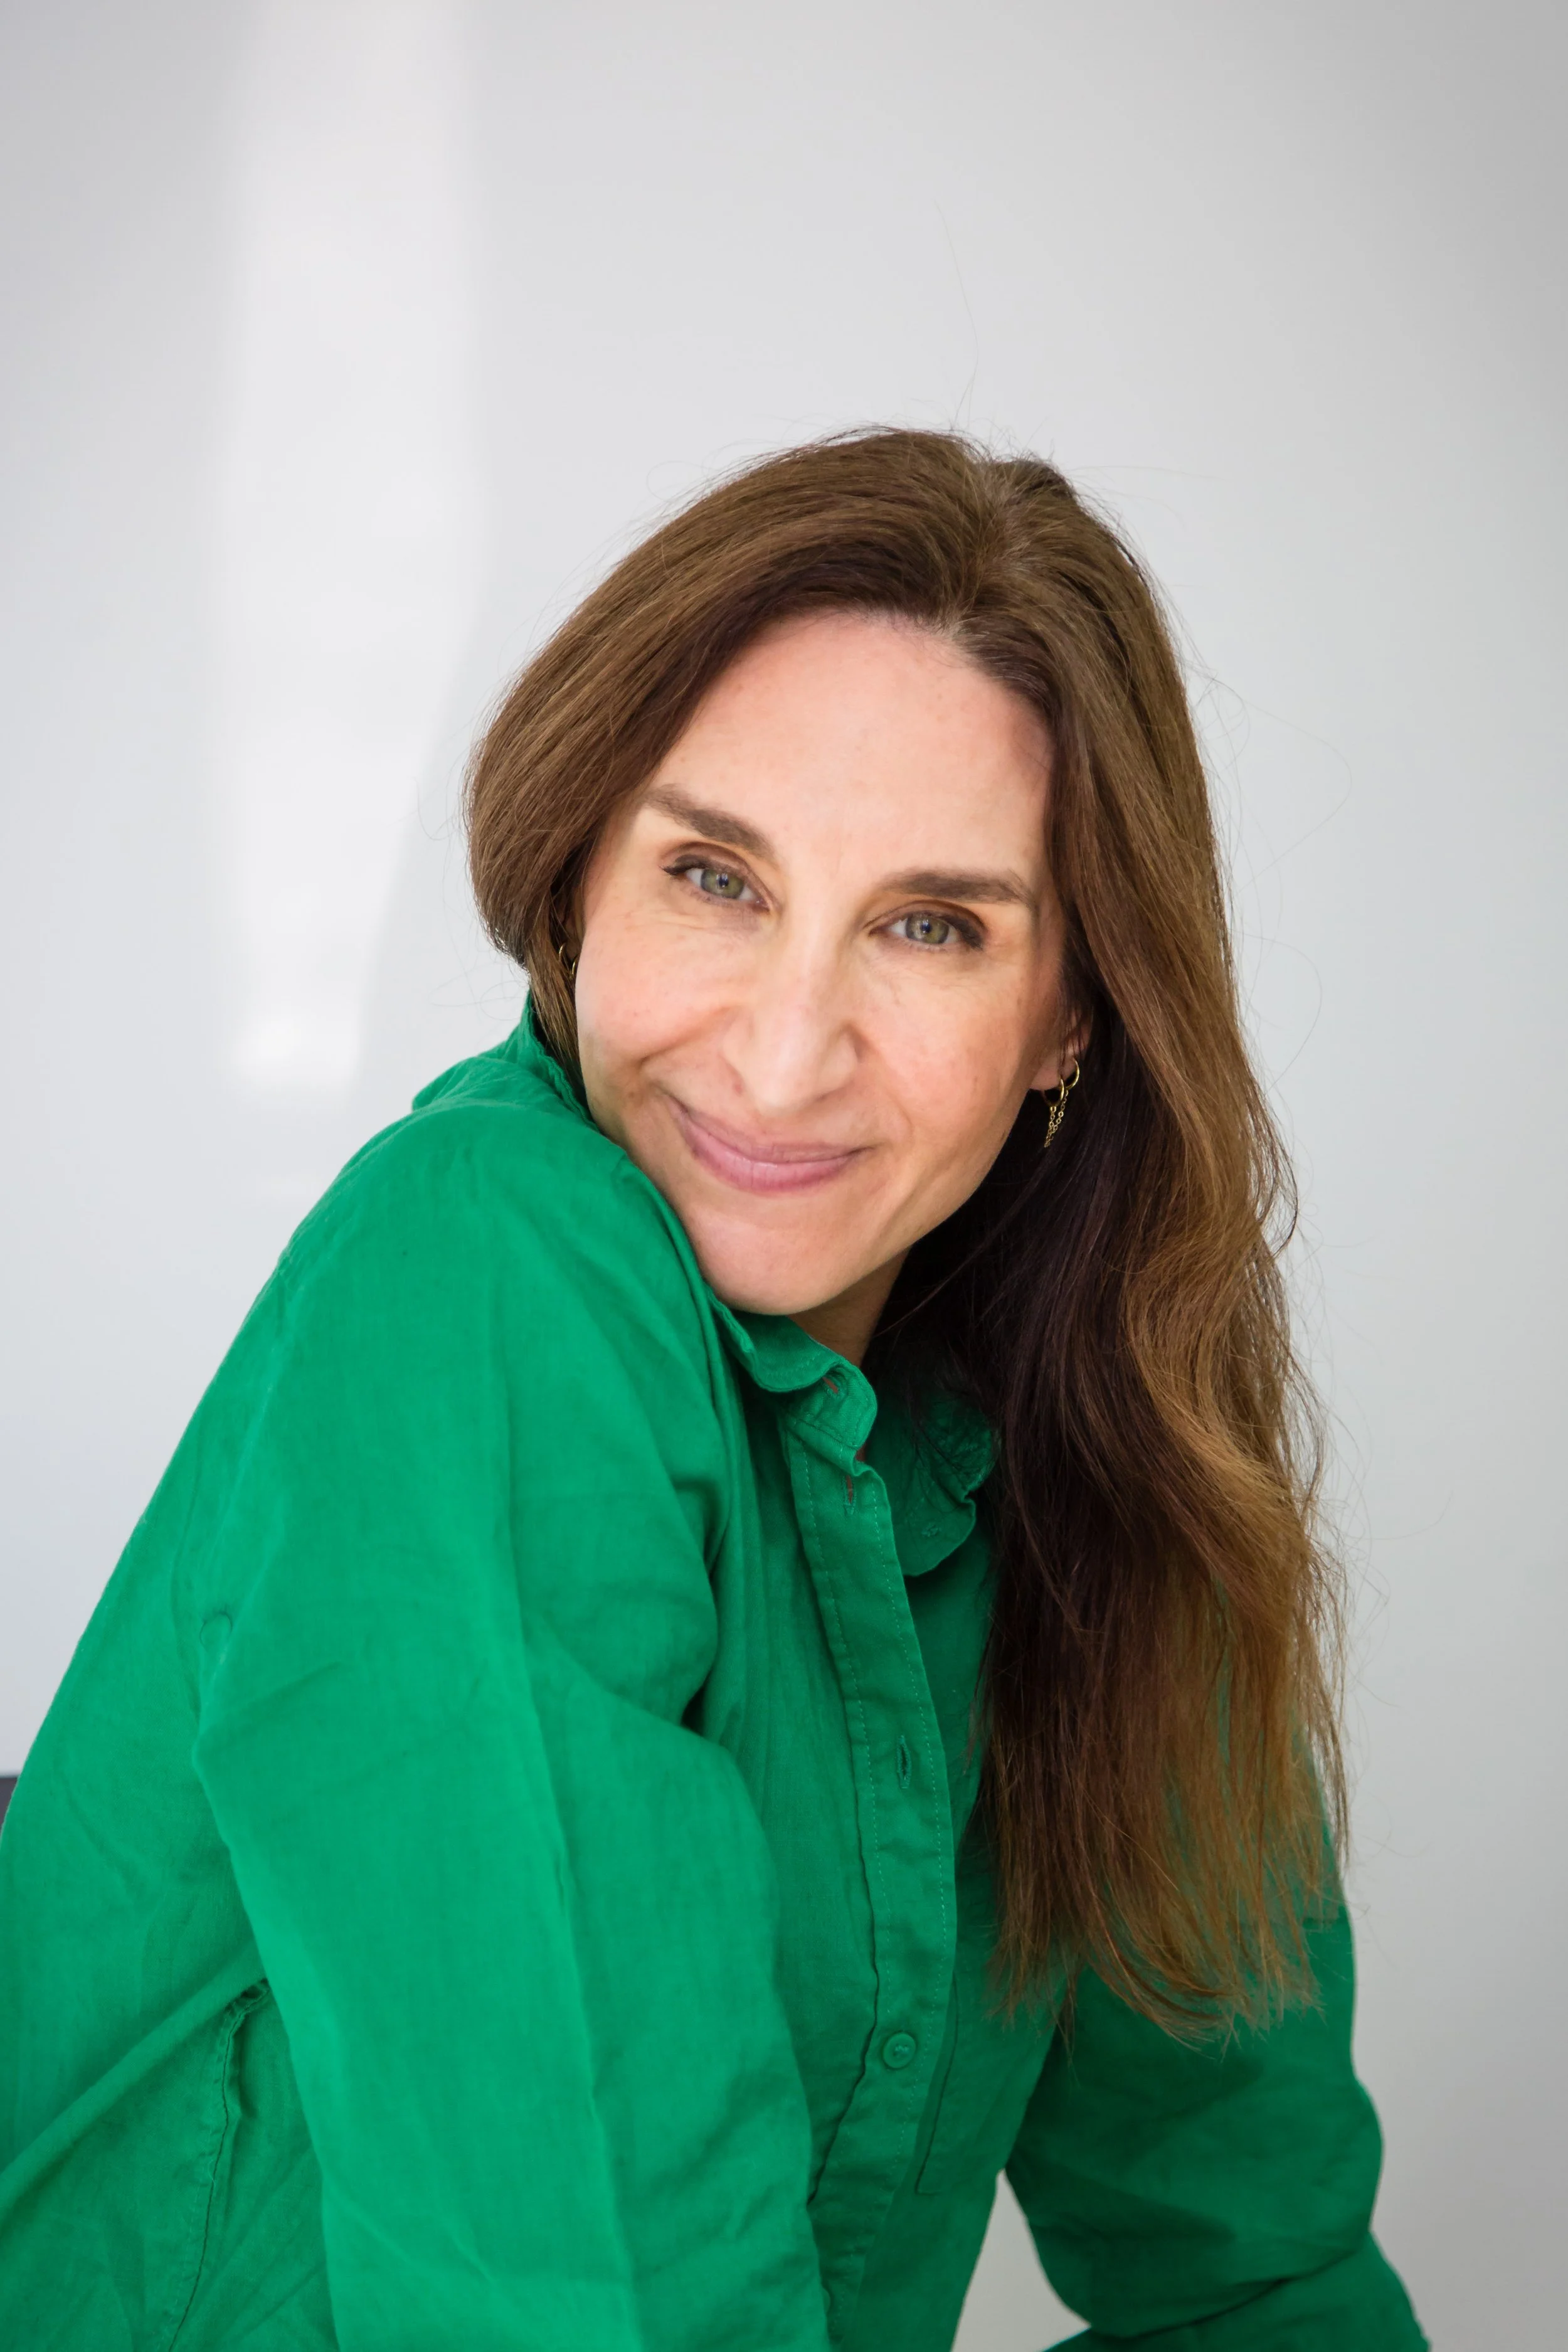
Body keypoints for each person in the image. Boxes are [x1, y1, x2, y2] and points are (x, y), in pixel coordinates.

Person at [0, 430, 1425, 2351]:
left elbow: (1253, 2276)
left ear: (1069, 1013)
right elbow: (592, 2282)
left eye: (932, 923)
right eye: (713, 875)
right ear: (579, 884)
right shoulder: (482, 1258)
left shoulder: (1100, 1479)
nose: (780, 1047)